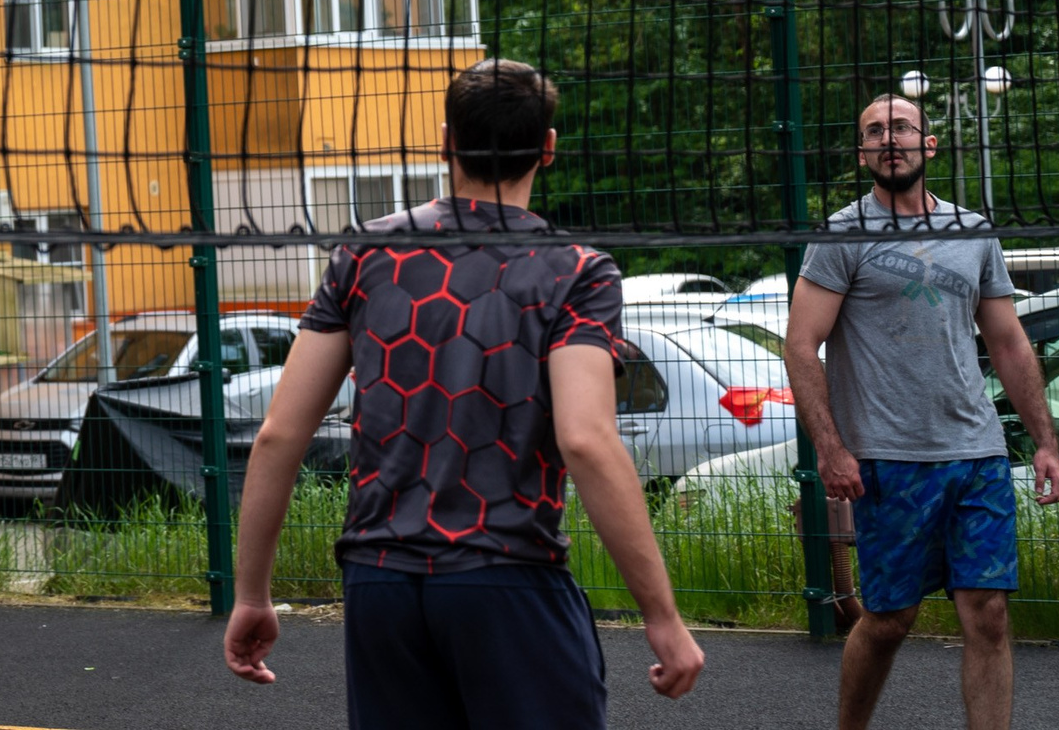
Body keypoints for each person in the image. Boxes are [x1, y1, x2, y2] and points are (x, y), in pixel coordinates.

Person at [223, 60, 706, 728]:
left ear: (445, 139)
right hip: (504, 572)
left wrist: (252, 592)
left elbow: (278, 432)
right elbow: (587, 438)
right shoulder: (575, 271)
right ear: (549, 147)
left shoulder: (363, 252)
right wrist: (662, 614)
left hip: (380, 580)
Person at [784, 93, 1059, 730]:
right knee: (888, 620)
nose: (889, 138)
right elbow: (802, 347)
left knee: (988, 612)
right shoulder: (841, 234)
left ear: (927, 145)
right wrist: (830, 448)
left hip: (977, 451)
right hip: (887, 457)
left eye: (901, 127)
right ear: (862, 155)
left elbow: (1008, 341)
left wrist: (1044, 440)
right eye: (874, 130)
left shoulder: (972, 230)